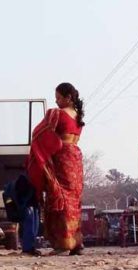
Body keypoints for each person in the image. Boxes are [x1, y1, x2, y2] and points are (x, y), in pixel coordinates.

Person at [27, 83, 86, 256]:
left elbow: (38, 133)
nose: (56, 100)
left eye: (59, 97)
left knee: (59, 197)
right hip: (75, 156)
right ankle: (77, 243)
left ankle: (63, 244)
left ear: (68, 97)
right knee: (74, 200)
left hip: (61, 157)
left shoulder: (56, 114)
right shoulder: (78, 116)